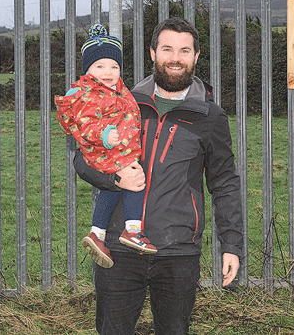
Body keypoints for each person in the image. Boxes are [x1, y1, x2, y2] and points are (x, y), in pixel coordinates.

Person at [73, 17, 244, 335]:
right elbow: (83, 160)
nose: (175, 57)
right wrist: (114, 181)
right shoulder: (121, 103)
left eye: (184, 50)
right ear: (152, 53)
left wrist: (231, 245)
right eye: (167, 49)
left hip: (178, 252)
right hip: (118, 249)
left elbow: (224, 182)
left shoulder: (210, 117)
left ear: (195, 57)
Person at [55, 24, 157, 271]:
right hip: (107, 148)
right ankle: (133, 230)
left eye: (114, 66)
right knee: (136, 180)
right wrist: (105, 134)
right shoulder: (90, 93)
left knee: (113, 189)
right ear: (88, 70)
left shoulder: (114, 90)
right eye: (100, 66)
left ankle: (97, 233)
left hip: (114, 148)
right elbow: (85, 121)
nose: (108, 72)